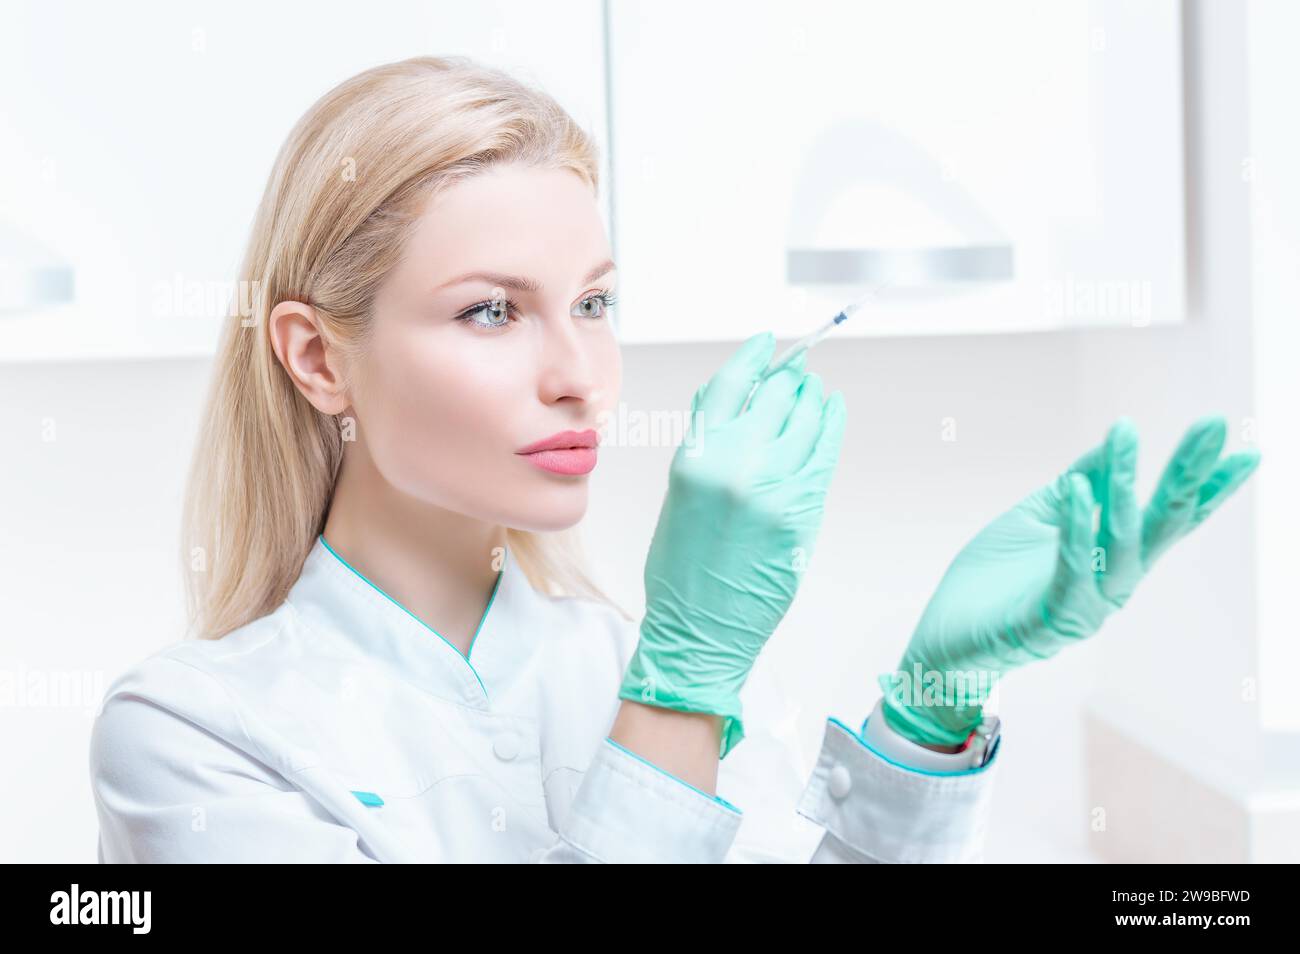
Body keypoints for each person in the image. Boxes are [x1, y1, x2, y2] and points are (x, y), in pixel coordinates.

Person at [88, 56, 1259, 864]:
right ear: (318, 359)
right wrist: (678, 690)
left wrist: (932, 708)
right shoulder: (191, 735)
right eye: (493, 312)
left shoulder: (636, 662)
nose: (580, 374)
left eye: (594, 303)